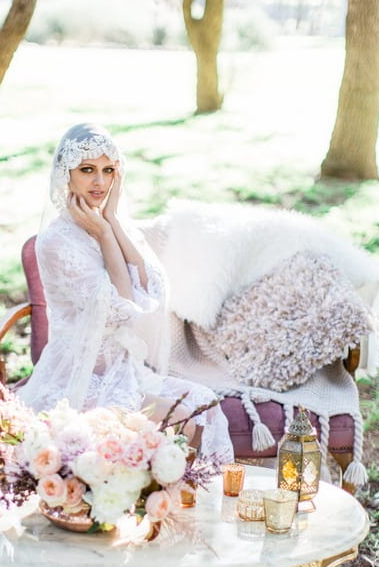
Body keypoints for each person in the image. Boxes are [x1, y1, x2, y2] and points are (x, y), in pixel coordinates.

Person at [17, 122, 233, 465]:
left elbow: (150, 287)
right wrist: (104, 234)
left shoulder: (110, 224)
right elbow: (124, 307)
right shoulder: (57, 241)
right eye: (87, 170)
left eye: (107, 171)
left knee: (203, 403)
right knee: (183, 419)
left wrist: (113, 222)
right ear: (66, 174)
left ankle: (182, 505)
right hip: (81, 378)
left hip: (124, 370)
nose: (100, 182)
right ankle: (153, 502)